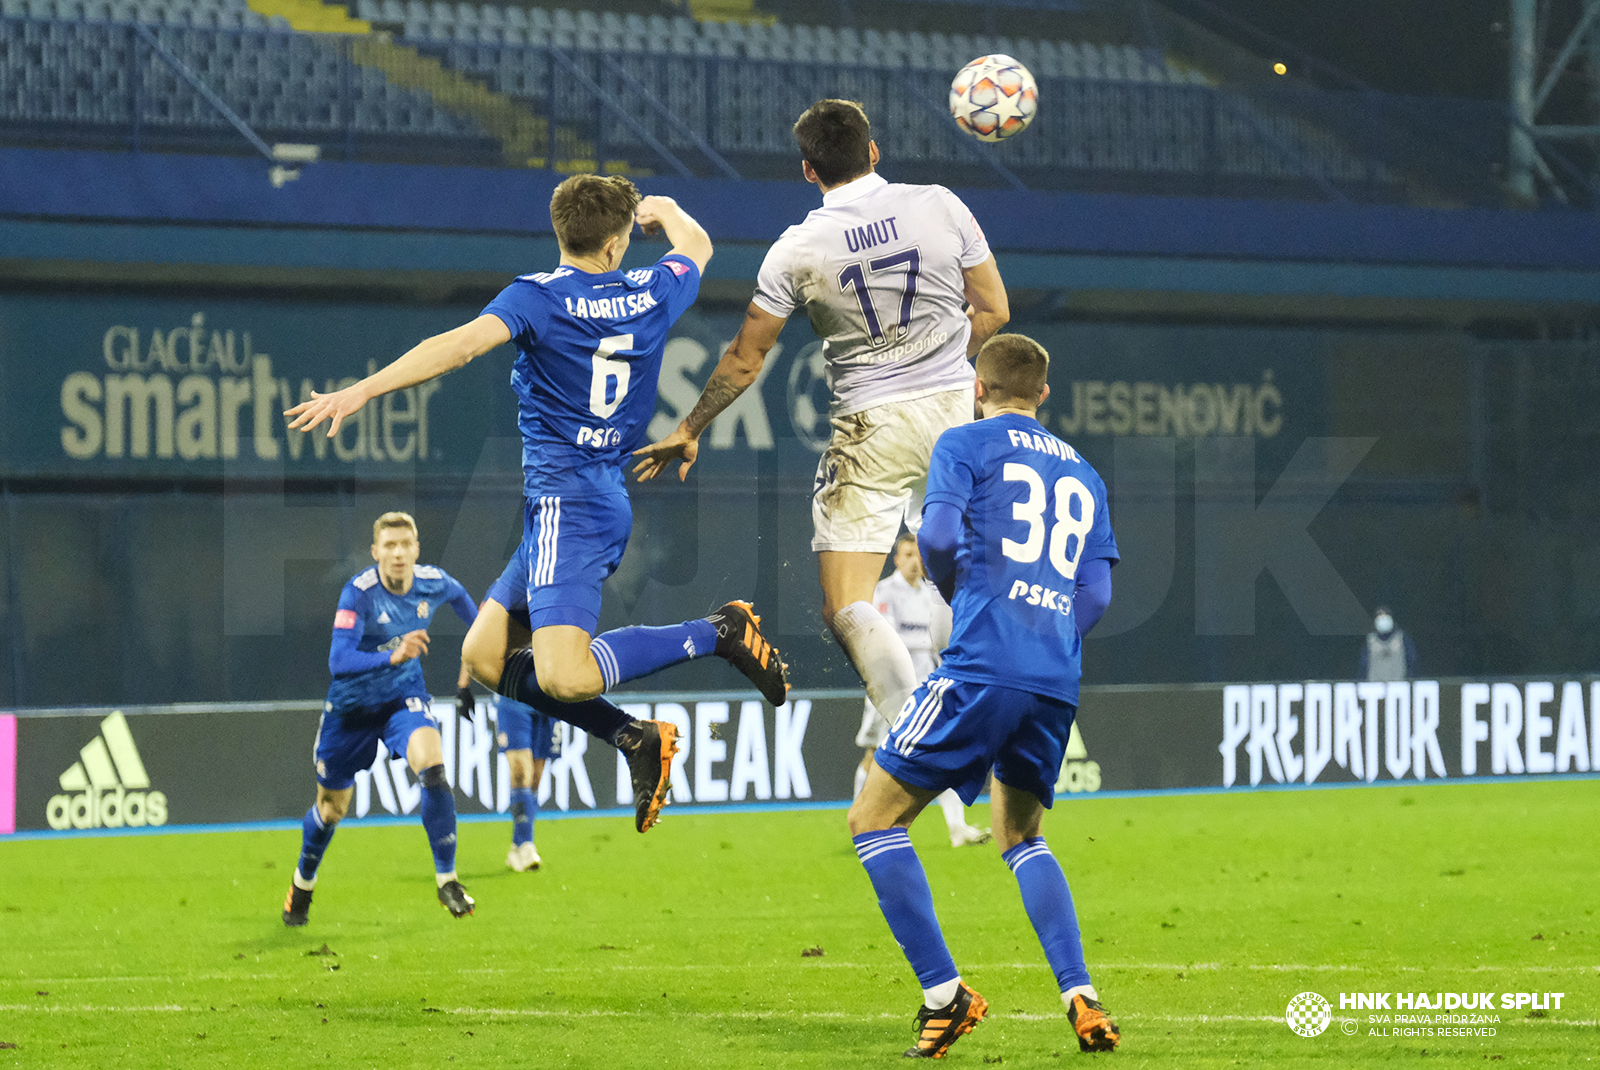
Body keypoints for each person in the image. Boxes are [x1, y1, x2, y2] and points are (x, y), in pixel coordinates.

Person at [287, 175, 789, 836]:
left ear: (561, 232)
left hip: (568, 509)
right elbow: (697, 244)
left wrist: (363, 391)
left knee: (567, 678)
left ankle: (717, 633)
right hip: (583, 502)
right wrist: (662, 211)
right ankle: (636, 738)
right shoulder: (651, 289)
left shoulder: (537, 297)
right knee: (488, 657)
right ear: (615, 245)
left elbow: (460, 347)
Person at [634, 99, 1010, 764]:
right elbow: (995, 309)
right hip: (955, 418)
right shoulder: (941, 205)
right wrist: (946, 360)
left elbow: (746, 358)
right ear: (874, 150)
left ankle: (918, 733)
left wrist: (690, 427)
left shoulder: (797, 249)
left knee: (849, 605)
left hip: (871, 428)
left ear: (809, 171)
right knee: (967, 576)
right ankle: (996, 700)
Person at [847, 335, 1121, 1058]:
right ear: (1044, 394)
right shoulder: (1087, 473)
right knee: (1021, 837)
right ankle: (1081, 995)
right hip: (1055, 680)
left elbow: (936, 533)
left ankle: (946, 995)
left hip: (980, 665)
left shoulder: (964, 443)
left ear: (979, 385)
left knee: (873, 821)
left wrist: (958, 592)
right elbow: (1098, 591)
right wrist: (1050, 629)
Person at [283, 511, 480, 926]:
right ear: (375, 553)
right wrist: (391, 654)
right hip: (350, 710)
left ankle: (448, 879)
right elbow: (338, 661)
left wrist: (478, 651)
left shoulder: (433, 581)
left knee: (433, 767)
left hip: (401, 700)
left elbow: (466, 603)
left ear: (416, 549)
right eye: (388, 546)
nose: (398, 553)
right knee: (331, 811)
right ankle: (303, 882)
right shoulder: (358, 593)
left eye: (405, 544)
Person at [856, 533, 990, 848]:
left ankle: (957, 829)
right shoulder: (885, 591)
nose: (916, 561)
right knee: (874, 755)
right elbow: (888, 637)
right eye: (908, 554)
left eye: (919, 554)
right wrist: (931, 641)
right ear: (897, 559)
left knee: (940, 752)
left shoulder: (930, 593)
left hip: (926, 683)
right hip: (889, 684)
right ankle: (860, 816)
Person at [1359, 605, 1417, 681]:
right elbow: (1363, 666)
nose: (1383, 618)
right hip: (1375, 687)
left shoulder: (1402, 638)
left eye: (1386, 615)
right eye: (1380, 615)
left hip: (1398, 687)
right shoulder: (1370, 640)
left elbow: (1412, 662)